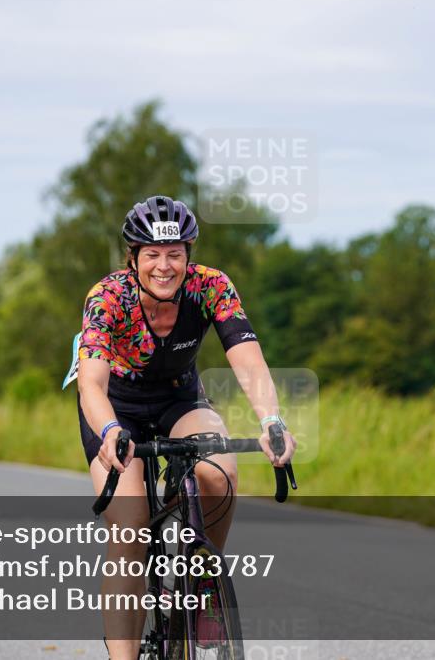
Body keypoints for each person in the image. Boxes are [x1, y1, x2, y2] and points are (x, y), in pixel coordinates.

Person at [75, 195, 296, 660]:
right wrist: (110, 431)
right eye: (152, 254)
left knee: (220, 471)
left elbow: (248, 360)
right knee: (131, 528)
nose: (164, 266)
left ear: (188, 254)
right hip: (116, 409)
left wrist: (271, 420)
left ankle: (202, 579)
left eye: (174, 253)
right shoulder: (107, 297)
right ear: (133, 258)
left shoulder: (210, 286)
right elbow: (91, 383)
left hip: (179, 397)